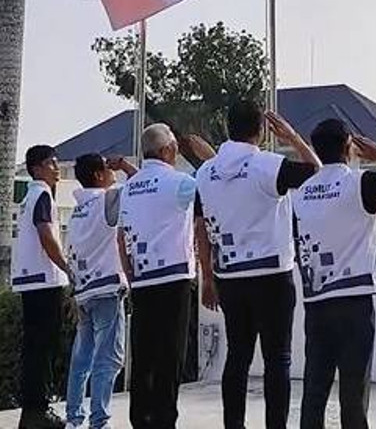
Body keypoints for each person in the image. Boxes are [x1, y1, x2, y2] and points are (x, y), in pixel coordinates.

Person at [195, 101, 319, 429]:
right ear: (261, 130)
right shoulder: (268, 165)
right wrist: (292, 136)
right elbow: (315, 169)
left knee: (237, 356)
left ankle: (233, 424)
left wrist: (207, 276)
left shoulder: (205, 173)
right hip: (272, 275)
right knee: (277, 359)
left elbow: (200, 225)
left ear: (227, 127)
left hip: (230, 276)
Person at [293, 120, 376, 429]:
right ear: (349, 147)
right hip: (354, 300)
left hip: (317, 302)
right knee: (353, 393)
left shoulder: (301, 193)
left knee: (314, 390)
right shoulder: (359, 183)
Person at [117, 124, 197, 429]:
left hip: (142, 279)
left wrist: (130, 276)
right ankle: (165, 420)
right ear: (166, 150)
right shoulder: (180, 183)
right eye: (175, 146)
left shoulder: (129, 188)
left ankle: (141, 420)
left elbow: (121, 237)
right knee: (170, 357)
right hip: (174, 279)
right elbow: (215, 186)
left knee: (143, 358)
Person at [65, 153, 136, 429]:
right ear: (98, 175)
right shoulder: (107, 199)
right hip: (107, 288)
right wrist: (127, 166)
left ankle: (73, 418)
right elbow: (143, 183)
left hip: (83, 290)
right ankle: (99, 419)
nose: (112, 173)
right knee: (108, 358)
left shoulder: (77, 210)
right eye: (108, 169)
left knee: (81, 358)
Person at [11, 145, 69, 429]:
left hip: (28, 279)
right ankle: (39, 409)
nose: (56, 169)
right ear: (36, 168)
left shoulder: (31, 196)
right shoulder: (43, 194)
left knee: (34, 348)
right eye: (51, 164)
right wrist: (66, 266)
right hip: (43, 280)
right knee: (44, 347)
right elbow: (46, 234)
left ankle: (32, 410)